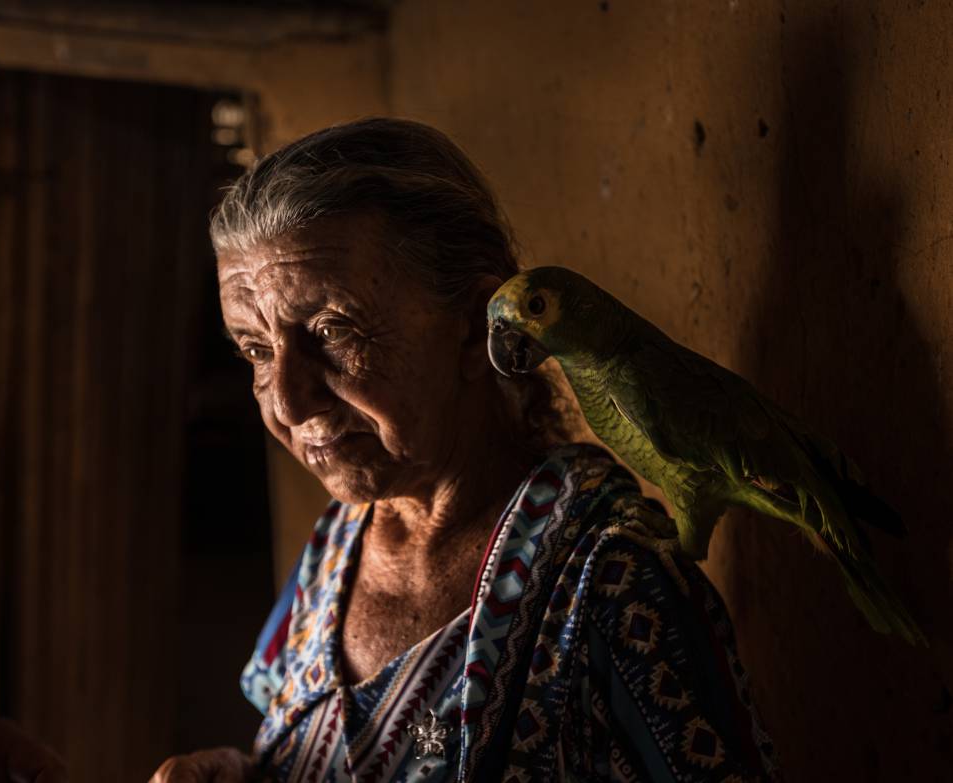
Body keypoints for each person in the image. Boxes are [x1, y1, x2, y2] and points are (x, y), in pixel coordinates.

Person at [152, 118, 778, 782]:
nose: (287, 402)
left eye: (332, 331)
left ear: (475, 325)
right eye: (255, 349)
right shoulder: (337, 546)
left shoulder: (610, 587)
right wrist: (238, 771)